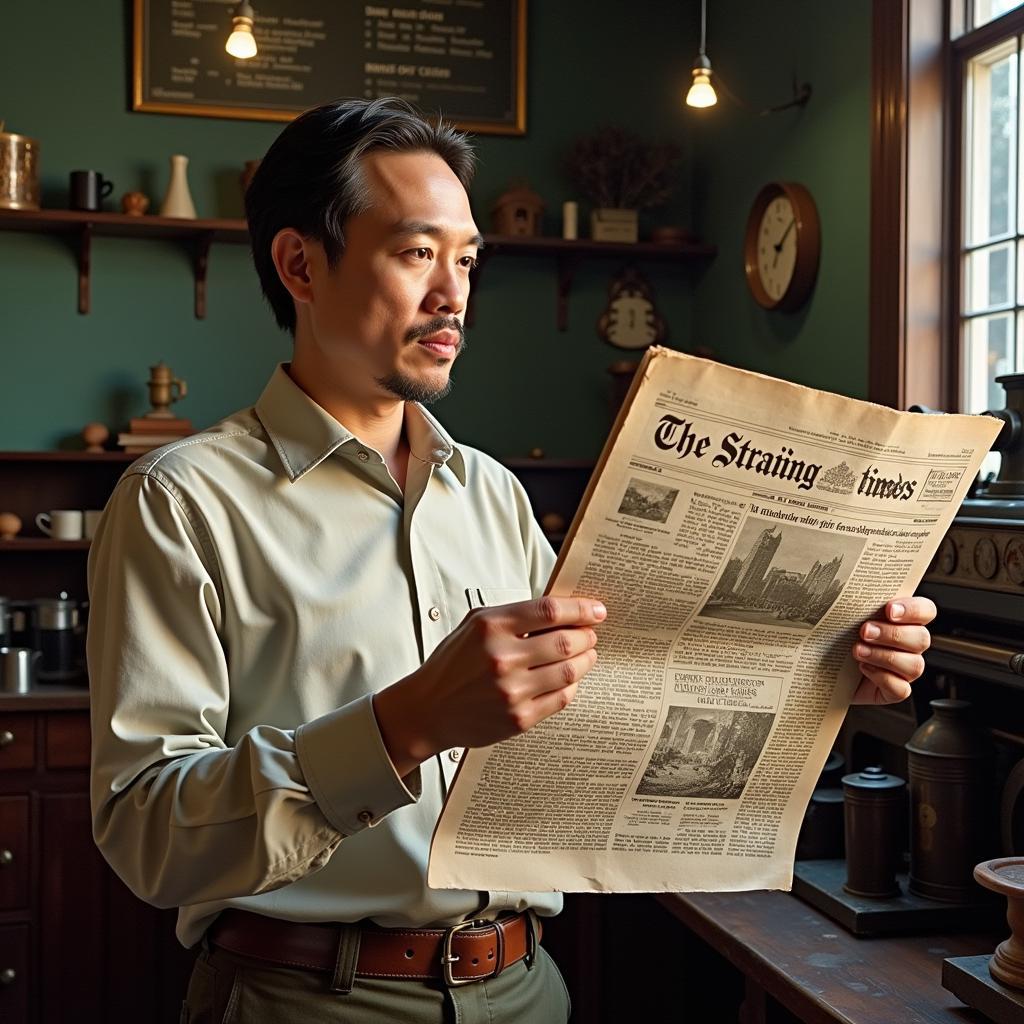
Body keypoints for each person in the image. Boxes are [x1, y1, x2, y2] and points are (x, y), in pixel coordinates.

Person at [87, 97, 935, 1024]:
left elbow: (605, 712)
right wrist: (403, 725)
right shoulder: (179, 501)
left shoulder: (490, 493)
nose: (454, 295)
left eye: (467, 260)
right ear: (300, 263)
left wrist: (820, 676)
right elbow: (149, 836)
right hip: (302, 997)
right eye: (416, 254)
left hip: (529, 990)